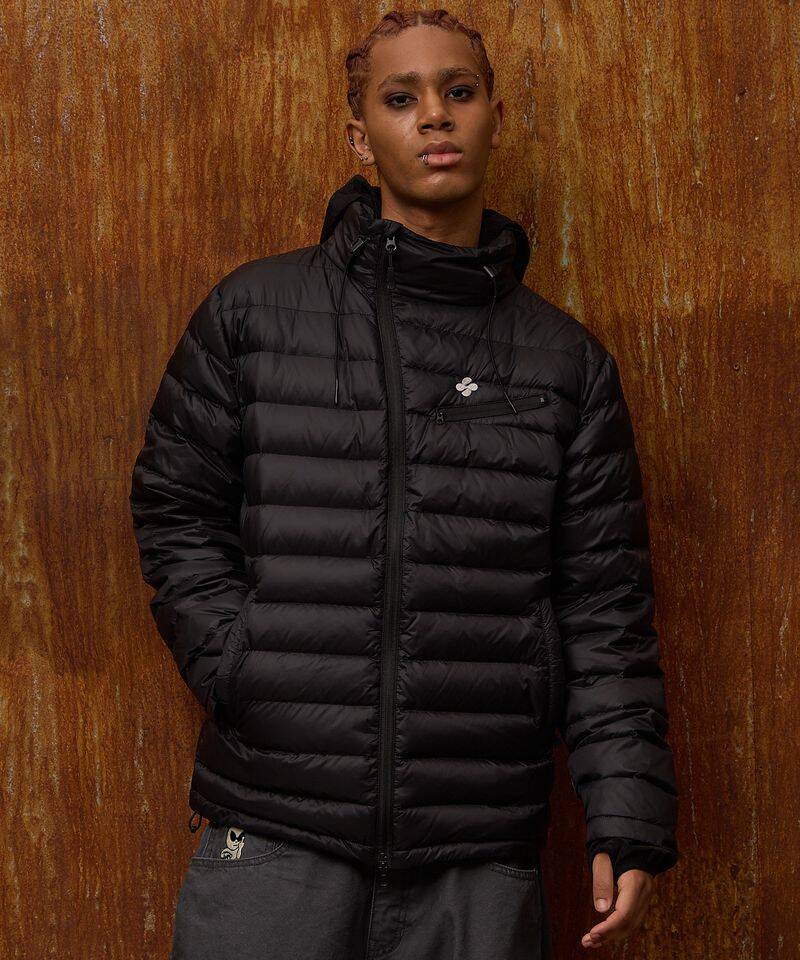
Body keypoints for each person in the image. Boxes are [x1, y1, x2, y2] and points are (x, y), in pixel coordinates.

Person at [129, 9, 680, 959]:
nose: (435, 116)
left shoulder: (564, 364)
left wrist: (626, 812)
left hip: (478, 852)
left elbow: (605, 608)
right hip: (274, 836)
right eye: (401, 98)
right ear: (360, 137)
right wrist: (240, 664)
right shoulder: (253, 314)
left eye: (459, 91)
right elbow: (174, 508)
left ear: (494, 116)